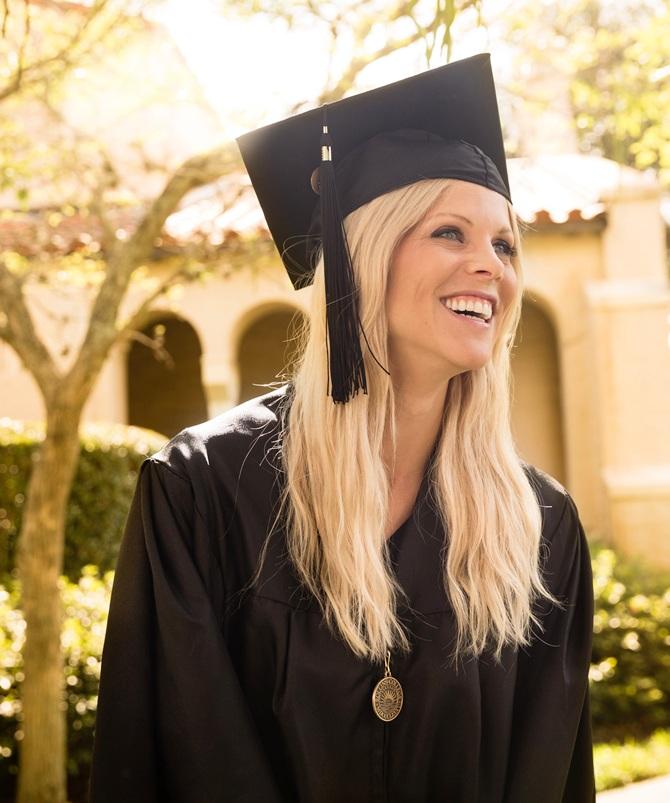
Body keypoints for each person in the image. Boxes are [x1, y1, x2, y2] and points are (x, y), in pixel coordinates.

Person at [88, 53, 596, 802]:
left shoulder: (540, 527)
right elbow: (176, 754)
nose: (490, 266)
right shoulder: (205, 492)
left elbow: (547, 777)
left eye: (504, 243)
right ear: (362, 258)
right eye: (450, 232)